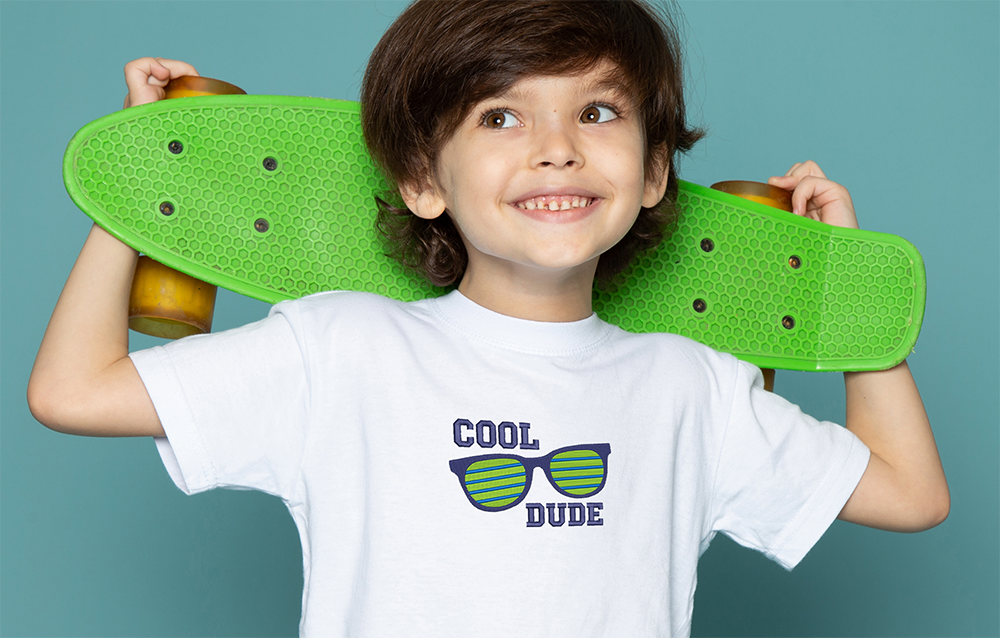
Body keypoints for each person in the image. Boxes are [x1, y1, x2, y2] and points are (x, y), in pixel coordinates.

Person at [28, 0, 949, 635]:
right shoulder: (345, 346)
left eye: (597, 111)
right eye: (501, 118)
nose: (556, 150)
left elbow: (910, 493)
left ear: (655, 171)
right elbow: (73, 391)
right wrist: (144, 182)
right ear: (424, 180)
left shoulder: (689, 384)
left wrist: (843, 291)